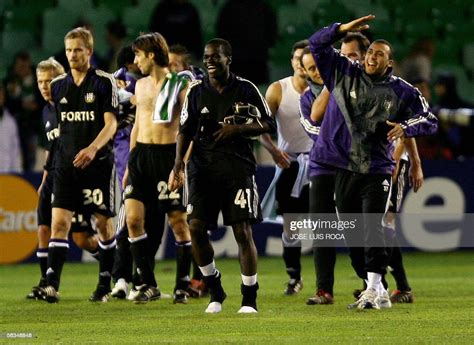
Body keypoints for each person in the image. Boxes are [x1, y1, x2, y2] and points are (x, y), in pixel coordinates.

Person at [309, 15, 438, 309]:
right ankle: (376, 289)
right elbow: (316, 44)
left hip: (377, 168)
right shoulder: (343, 73)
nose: (371, 57)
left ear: (389, 63)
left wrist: (406, 128)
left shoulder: (403, 90)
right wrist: (341, 29)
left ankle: (376, 289)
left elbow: (428, 118)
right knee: (353, 234)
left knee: (372, 228)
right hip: (344, 167)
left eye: (379, 54)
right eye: (369, 52)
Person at [169, 38, 276, 313]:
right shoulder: (196, 90)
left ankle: (249, 297)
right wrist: (178, 164)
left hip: (237, 167)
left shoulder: (247, 88)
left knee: (242, 230)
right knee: (195, 227)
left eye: (216, 57)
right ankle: (214, 289)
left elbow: (268, 123)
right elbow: (184, 130)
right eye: (206, 57)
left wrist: (238, 130)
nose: (210, 61)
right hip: (202, 168)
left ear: (229, 59)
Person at [38, 27, 118, 303]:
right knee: (59, 223)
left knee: (104, 225)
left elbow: (112, 124)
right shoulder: (59, 85)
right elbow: (60, 129)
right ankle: (51, 284)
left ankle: (105, 282)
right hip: (65, 167)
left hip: (97, 165)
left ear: (89, 52)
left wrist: (93, 148)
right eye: (69, 50)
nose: (72, 55)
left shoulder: (103, 83)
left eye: (78, 50)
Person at [299, 33, 370, 305]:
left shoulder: (355, 88)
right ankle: (324, 290)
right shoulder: (307, 99)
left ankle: (371, 282)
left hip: (350, 165)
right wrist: (332, 80)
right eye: (312, 68)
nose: (318, 71)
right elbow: (318, 130)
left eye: (320, 65)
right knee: (323, 229)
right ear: (305, 72)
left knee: (355, 228)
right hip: (322, 166)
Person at [123, 32, 193, 304]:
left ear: (151, 55)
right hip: (141, 155)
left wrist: (182, 165)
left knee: (178, 222)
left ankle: (181, 284)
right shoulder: (140, 86)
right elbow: (137, 125)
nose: (135, 60)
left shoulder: (178, 84)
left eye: (138, 54)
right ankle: (149, 283)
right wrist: (130, 161)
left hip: (168, 157)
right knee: (132, 220)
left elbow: (190, 129)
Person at [26, 57, 100, 300]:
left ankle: (114, 261)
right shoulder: (46, 111)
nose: (44, 86)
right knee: (44, 229)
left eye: (49, 81)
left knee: (81, 238)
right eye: (40, 82)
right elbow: (50, 146)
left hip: (72, 176)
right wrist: (44, 179)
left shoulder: (69, 105)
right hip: (53, 175)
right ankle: (45, 282)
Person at [260, 40, 311, 296]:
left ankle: (337, 281)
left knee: (330, 223)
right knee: (291, 224)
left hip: (321, 165)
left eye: (306, 58)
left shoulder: (323, 89)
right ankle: (294, 276)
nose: (302, 63)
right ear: (292, 61)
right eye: (298, 58)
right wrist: (273, 151)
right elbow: (259, 128)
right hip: (290, 164)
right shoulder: (278, 89)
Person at [216, 0, 277, 84]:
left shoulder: (228, 7)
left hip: (239, 59)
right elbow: (272, 33)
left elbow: (221, 34)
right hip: (256, 59)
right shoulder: (264, 7)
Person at [0, 82, 22, 173]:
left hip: (7, 174)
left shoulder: (10, 122)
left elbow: (15, 151)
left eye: (1, 95)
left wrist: (17, 173)